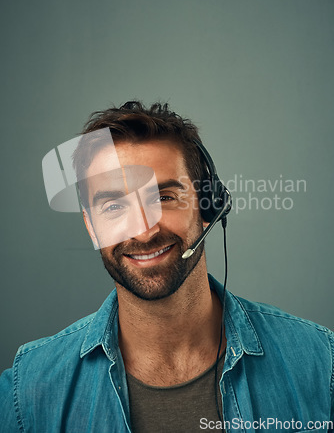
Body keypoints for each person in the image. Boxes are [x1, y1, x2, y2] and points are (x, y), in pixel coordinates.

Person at [0, 101, 333, 432]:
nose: (144, 231)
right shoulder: (24, 392)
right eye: (114, 205)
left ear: (208, 207)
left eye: (164, 198)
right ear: (91, 226)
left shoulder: (321, 363)